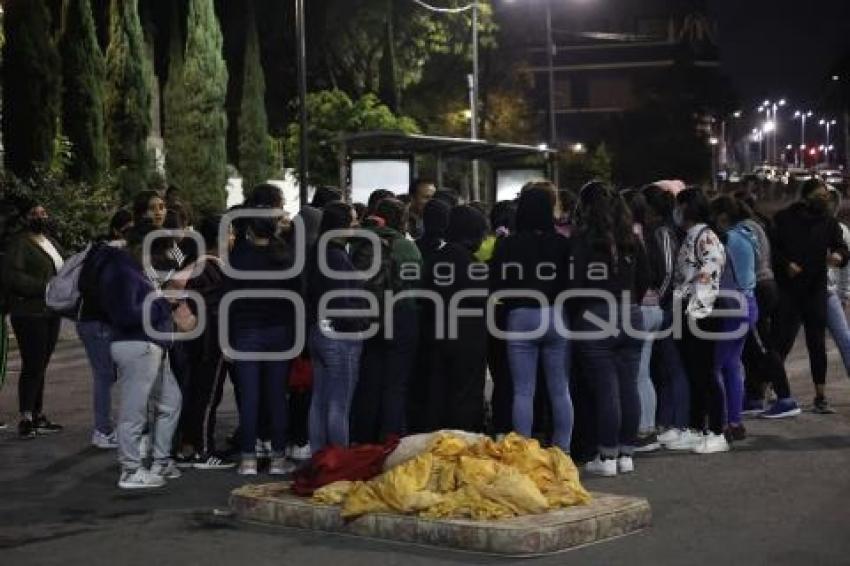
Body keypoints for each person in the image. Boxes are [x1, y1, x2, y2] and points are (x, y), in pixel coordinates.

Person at [97, 221, 195, 489]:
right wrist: (163, 301)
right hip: (137, 345)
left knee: (170, 402)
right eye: (155, 251)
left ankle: (160, 461)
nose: (158, 259)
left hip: (148, 344)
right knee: (134, 410)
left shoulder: (130, 269)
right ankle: (130, 470)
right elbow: (126, 314)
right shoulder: (121, 271)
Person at [571, 183, 650, 476]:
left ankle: (606, 456)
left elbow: (575, 285)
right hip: (631, 312)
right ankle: (626, 453)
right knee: (628, 385)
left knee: (606, 389)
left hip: (596, 314)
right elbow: (645, 278)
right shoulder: (632, 238)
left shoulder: (583, 240)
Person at [489, 183, 573, 453]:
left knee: (523, 391)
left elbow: (495, 284)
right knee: (560, 389)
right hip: (555, 315)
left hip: (520, 317)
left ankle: (524, 451)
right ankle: (563, 450)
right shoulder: (562, 244)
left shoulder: (508, 245)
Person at [226, 210, 301, 476]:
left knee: (250, 398)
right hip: (280, 333)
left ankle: (248, 459)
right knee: (277, 397)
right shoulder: (285, 257)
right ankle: (278, 458)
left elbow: (229, 301)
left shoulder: (238, 258)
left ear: (249, 231)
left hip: (246, 333)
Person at [771, 179, 849, 414]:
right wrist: (786, 264)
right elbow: (772, 250)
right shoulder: (784, 219)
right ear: (806, 196)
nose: (824, 199)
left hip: (817, 290)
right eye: (820, 195)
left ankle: (820, 395)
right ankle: (770, 389)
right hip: (789, 291)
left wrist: (838, 256)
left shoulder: (829, 223)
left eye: (826, 195)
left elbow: (842, 249)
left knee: (817, 345)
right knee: (780, 343)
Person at [350, 198, 422, 443]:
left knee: (369, 379)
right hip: (402, 314)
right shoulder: (406, 247)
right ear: (401, 220)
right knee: (396, 383)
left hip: (367, 316)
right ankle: (390, 440)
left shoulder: (359, 241)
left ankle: (363, 437)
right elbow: (418, 280)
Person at [176, 215, 236, 469]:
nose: (233, 238)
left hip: (196, 345)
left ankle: (188, 447)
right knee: (207, 397)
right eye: (230, 233)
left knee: (194, 394)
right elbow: (213, 309)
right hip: (210, 345)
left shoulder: (198, 265)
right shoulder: (213, 269)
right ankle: (203, 450)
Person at [424, 205, 490, 432]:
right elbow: (483, 296)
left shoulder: (435, 259)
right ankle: (462, 441)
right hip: (468, 337)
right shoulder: (471, 263)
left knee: (437, 390)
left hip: (437, 333)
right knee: (465, 394)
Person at [672, 188, 728, 454]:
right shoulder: (694, 235)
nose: (676, 211)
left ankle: (717, 431)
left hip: (701, 312)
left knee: (705, 372)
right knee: (695, 373)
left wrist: (695, 306)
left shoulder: (705, 236)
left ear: (687, 208)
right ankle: (696, 428)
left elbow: (710, 270)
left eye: (679, 205)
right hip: (689, 310)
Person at [307, 202, 367, 451]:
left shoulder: (316, 251)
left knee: (320, 399)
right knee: (339, 403)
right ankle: (338, 461)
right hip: (341, 335)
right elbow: (342, 301)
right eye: (352, 221)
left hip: (318, 331)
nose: (356, 225)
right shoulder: (337, 256)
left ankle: (320, 458)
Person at [2, 201, 64, 438]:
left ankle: (37, 414)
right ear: (25, 217)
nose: (40, 216)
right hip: (29, 312)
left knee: (41, 365)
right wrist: (44, 287)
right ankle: (26, 417)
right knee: (32, 365)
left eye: (43, 212)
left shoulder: (50, 242)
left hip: (50, 312)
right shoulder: (19, 244)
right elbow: (13, 277)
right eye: (34, 213)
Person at [76, 210, 134, 450]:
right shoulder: (111, 254)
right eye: (129, 230)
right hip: (97, 322)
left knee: (107, 375)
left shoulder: (98, 252)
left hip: (93, 320)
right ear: (118, 231)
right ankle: (102, 430)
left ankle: (105, 428)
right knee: (104, 375)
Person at [641, 185, 691, 447]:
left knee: (673, 366)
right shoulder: (665, 229)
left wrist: (658, 300)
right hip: (668, 304)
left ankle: (679, 423)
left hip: (669, 306)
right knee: (664, 366)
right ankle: (668, 421)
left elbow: (668, 272)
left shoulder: (662, 232)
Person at [710, 196, 759, 441]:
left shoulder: (728, 238)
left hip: (732, 305)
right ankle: (735, 421)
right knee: (732, 364)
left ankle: (722, 422)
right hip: (749, 303)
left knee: (716, 366)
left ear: (722, 216)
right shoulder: (748, 235)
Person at [623, 189, 659, 452]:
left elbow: (642, 273)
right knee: (644, 373)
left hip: (640, 308)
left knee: (636, 374)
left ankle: (641, 430)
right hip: (654, 306)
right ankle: (648, 427)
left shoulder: (629, 234)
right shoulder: (653, 231)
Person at [482, 201, 517, 437]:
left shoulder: (484, 247)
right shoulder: (519, 247)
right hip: (514, 316)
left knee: (499, 373)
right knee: (516, 379)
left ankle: (498, 426)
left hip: (489, 315)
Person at [825, 189, 850, 383]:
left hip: (828, 292)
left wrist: (844, 294)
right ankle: (770, 385)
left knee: (845, 339)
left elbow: (845, 268)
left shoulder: (842, 231)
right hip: (803, 292)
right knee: (784, 341)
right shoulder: (806, 227)